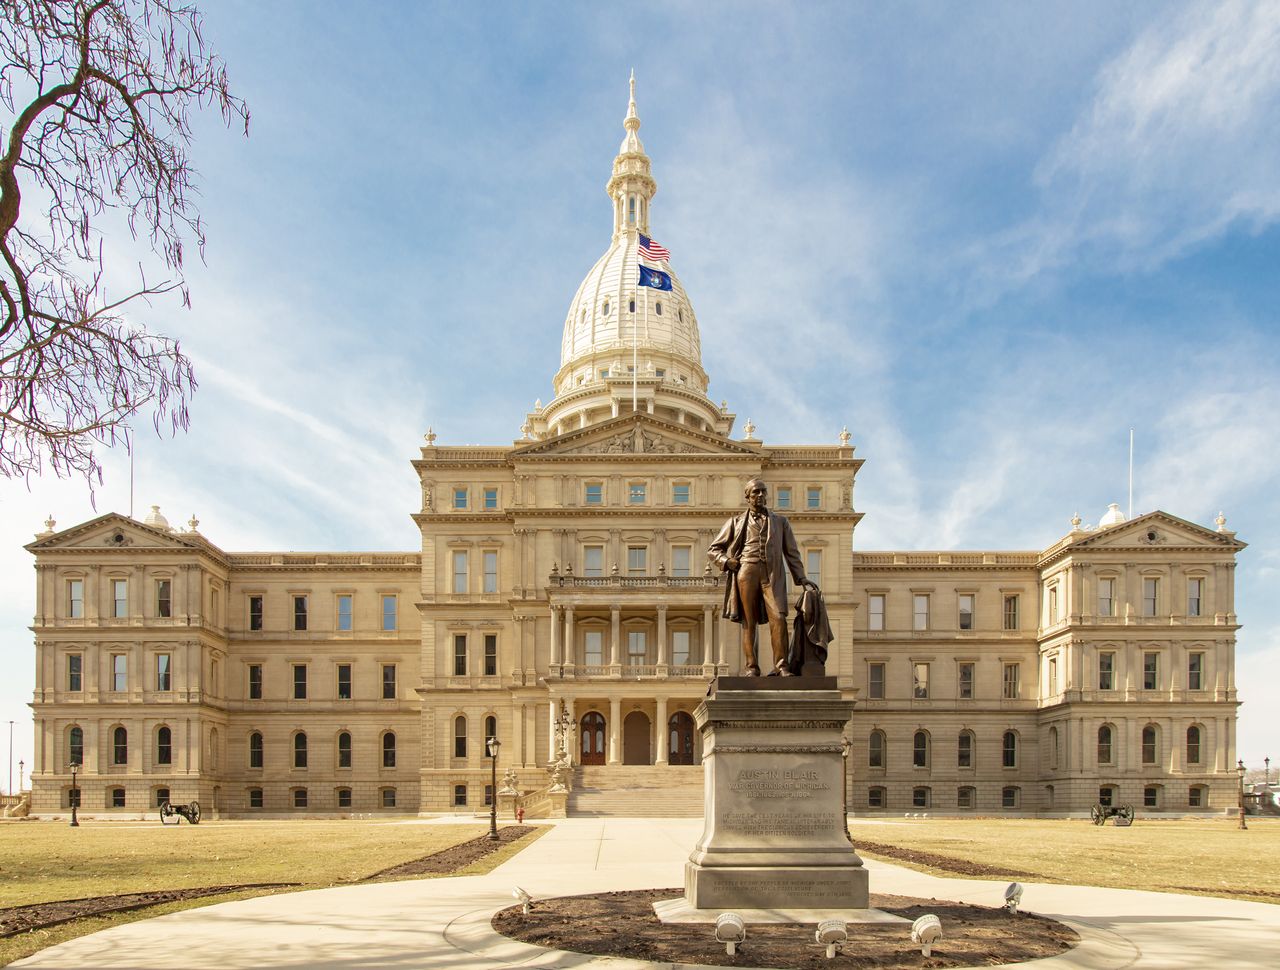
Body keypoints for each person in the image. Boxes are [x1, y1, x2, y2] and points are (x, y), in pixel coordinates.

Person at [708, 478, 817, 675]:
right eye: (756, 492)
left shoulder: (780, 522)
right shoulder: (736, 522)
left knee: (779, 617)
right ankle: (751, 668)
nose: (760, 495)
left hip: (772, 573)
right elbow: (714, 549)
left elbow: (791, 552)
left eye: (763, 492)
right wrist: (726, 561)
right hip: (746, 571)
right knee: (749, 622)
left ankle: (781, 666)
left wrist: (800, 577)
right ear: (747, 496)